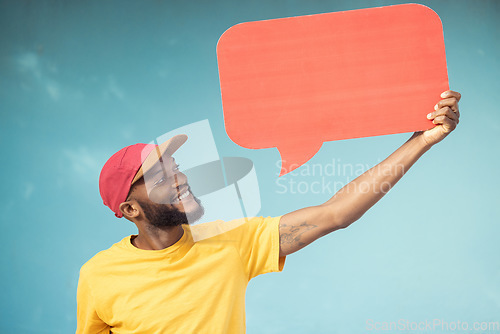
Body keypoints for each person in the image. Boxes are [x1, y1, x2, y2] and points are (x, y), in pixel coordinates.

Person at [76, 90, 461, 333]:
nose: (180, 177)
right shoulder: (99, 276)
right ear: (130, 209)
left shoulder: (230, 241)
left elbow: (335, 213)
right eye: (161, 176)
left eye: (176, 166)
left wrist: (422, 139)